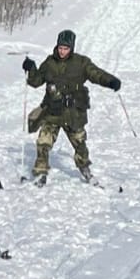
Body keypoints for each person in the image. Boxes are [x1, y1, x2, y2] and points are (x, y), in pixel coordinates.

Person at [22, 29, 121, 184]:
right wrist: (31, 68)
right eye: (60, 48)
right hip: (52, 111)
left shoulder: (81, 63)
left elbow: (96, 74)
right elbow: (36, 82)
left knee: (80, 143)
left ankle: (85, 169)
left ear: (72, 48)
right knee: (43, 142)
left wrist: (110, 81)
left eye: (66, 48)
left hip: (73, 113)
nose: (62, 51)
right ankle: (41, 172)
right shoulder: (49, 63)